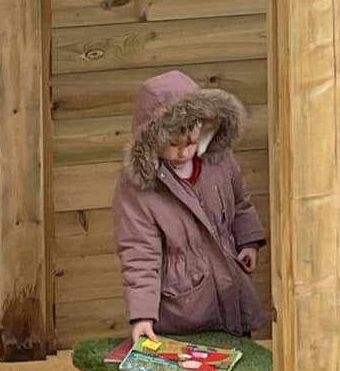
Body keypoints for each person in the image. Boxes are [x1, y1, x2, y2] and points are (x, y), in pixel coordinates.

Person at [114, 70, 267, 340]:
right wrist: (142, 315)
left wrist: (249, 242)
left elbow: (241, 204)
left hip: (232, 293)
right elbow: (139, 253)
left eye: (192, 144)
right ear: (152, 139)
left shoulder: (220, 160)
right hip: (181, 310)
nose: (183, 153)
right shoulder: (138, 188)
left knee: (241, 369)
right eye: (173, 145)